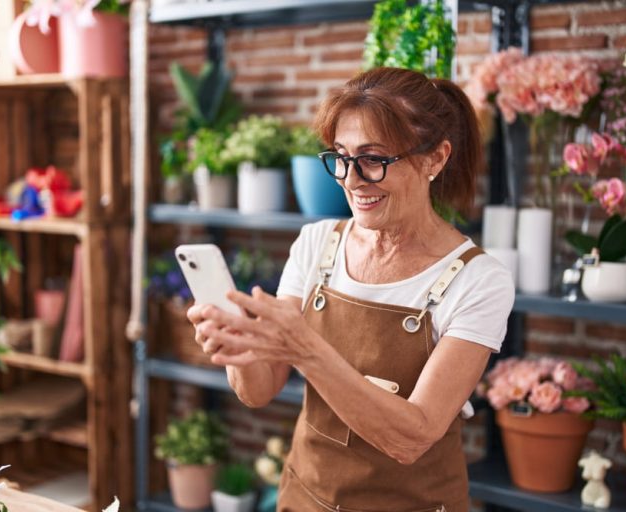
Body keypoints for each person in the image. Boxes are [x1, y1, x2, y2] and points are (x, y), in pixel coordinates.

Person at [188, 67, 514, 512]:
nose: (351, 179)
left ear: (435, 159)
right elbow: (260, 390)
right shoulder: (317, 243)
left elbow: (412, 436)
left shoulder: (478, 280)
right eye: (341, 156)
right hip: (307, 497)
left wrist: (306, 350)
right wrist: (237, 350)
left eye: (374, 159)